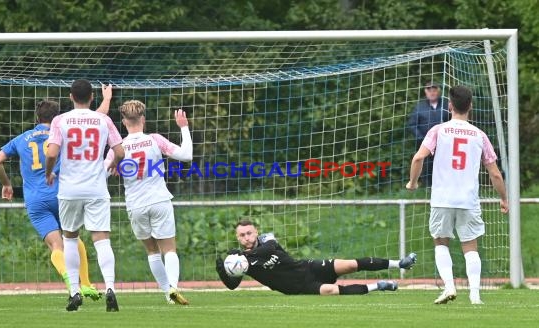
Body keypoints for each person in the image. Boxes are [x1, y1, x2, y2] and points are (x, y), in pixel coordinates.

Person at [0, 93, 112, 301]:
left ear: (37, 118)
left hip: (36, 200)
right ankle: (86, 284)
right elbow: (96, 117)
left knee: (56, 245)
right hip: (62, 194)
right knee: (72, 238)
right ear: (56, 118)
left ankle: (69, 283)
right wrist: (106, 98)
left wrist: (7, 184)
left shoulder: (22, 138)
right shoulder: (62, 131)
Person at [406, 85, 508, 305]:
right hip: (468, 200)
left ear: (450, 105)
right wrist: (504, 198)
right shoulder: (480, 135)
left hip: (442, 198)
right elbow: (495, 173)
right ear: (470, 106)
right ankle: (475, 295)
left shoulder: (438, 130)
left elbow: (417, 158)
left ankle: (450, 287)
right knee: (470, 246)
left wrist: (413, 182)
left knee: (441, 242)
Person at [45, 79, 125, 312]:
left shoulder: (60, 120)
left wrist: (50, 172)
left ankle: (75, 292)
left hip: (69, 189)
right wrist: (114, 164)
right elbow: (119, 151)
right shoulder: (103, 120)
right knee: (102, 239)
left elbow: (51, 153)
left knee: (69, 238)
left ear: (70, 97)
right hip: (96, 188)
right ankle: (110, 287)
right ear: (91, 97)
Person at [105, 100, 192, 305]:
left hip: (135, 205)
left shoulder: (118, 147)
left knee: (152, 251)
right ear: (143, 119)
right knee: (169, 249)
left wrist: (115, 165)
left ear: (124, 122)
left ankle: (167, 293)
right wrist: (184, 127)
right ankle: (173, 289)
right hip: (160, 200)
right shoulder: (155, 140)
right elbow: (186, 155)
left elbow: (102, 172)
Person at [216, 219, 417, 296]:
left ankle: (400, 263)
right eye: (242, 235)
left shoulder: (266, 239)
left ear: (255, 231)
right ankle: (379, 286)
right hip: (298, 287)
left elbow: (268, 250)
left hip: (308, 268)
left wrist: (244, 255)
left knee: (348, 264)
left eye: (249, 233)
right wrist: (222, 269)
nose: (247, 237)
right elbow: (233, 285)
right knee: (331, 290)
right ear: (237, 237)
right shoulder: (240, 262)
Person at [407, 81, 450, 186]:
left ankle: (443, 185)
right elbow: (412, 124)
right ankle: (426, 188)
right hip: (425, 144)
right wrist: (422, 139)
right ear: (425, 91)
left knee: (444, 165)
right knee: (426, 166)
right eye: (429, 90)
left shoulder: (446, 105)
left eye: (434, 90)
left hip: (445, 143)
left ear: (438, 91)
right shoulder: (419, 107)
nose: (432, 92)